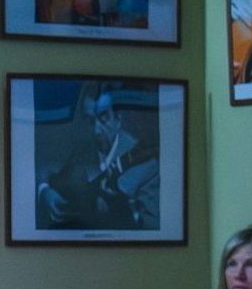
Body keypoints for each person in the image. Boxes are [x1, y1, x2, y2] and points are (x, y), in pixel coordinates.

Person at [34, 82, 159, 230]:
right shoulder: (82, 147)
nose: (95, 130)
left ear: (118, 120)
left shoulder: (148, 165)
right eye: (90, 120)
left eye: (103, 118)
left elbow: (153, 228)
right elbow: (45, 170)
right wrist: (44, 191)